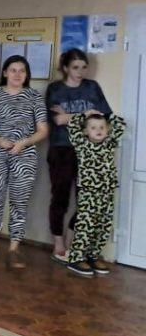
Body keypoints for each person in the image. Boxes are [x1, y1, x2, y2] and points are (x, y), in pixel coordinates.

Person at [0, 55, 49, 269]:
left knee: (19, 202)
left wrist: (23, 143)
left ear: (27, 75)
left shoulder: (34, 97)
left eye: (22, 70)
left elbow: (43, 130)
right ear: (5, 72)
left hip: (24, 155)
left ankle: (14, 249)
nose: (17, 74)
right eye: (13, 70)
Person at [45, 49, 112, 261]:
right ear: (65, 68)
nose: (80, 71)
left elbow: (103, 117)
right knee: (60, 197)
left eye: (84, 67)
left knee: (87, 199)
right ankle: (59, 244)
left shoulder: (92, 87)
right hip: (61, 149)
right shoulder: (55, 89)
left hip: (89, 150)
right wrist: (85, 114)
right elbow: (58, 120)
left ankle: (76, 241)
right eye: (75, 67)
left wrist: (70, 116)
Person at [64, 112, 125, 277]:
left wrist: (107, 115)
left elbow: (120, 125)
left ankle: (92, 255)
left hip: (107, 191)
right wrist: (85, 114)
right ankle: (76, 258)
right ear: (85, 131)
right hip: (89, 192)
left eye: (102, 127)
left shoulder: (109, 143)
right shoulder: (81, 143)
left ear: (107, 130)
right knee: (86, 224)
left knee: (103, 225)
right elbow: (72, 125)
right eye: (93, 128)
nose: (98, 130)